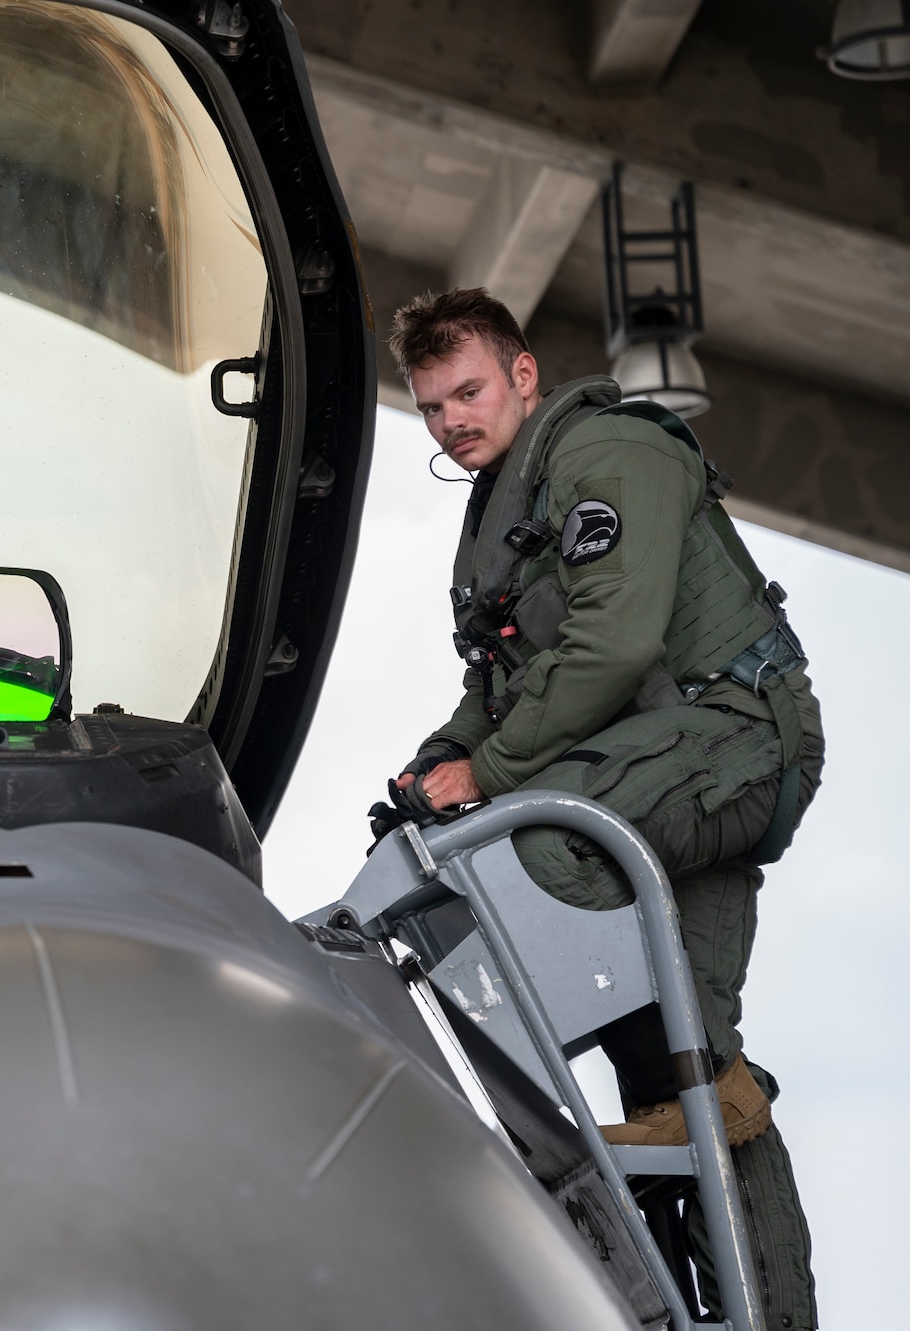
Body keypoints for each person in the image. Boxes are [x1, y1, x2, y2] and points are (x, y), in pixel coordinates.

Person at [386, 288, 824, 1329]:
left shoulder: (605, 454)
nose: (453, 420)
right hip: (650, 762)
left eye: (469, 390)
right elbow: (494, 686)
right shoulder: (501, 513)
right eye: (432, 405)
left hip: (732, 737)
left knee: (536, 847)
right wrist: (440, 759)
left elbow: (615, 645)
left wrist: (485, 775)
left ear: (521, 374)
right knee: (692, 1068)